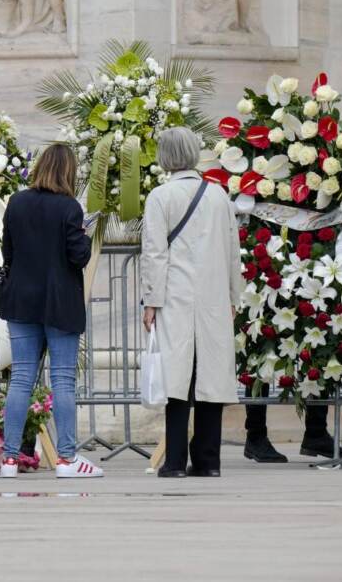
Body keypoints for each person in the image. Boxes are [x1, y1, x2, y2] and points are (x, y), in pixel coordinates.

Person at [141, 127, 242, 478]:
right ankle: (208, 461)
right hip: (214, 295)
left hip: (175, 295)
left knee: (177, 377)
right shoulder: (218, 195)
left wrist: (151, 300)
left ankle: (174, 462)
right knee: (211, 376)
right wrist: (233, 295)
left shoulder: (160, 197)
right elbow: (232, 250)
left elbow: (155, 253)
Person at [0, 143, 102, 479]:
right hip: (60, 302)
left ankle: (9, 459)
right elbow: (78, 257)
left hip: (21, 301)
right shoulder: (69, 207)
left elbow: (8, 252)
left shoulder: (16, 202)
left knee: (21, 378)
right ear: (69, 172)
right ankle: (67, 459)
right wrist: (85, 233)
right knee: (63, 380)